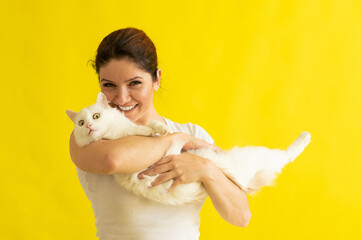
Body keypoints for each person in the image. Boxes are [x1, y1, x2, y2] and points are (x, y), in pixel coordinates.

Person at [69, 27, 251, 240]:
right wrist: (175, 140)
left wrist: (206, 170)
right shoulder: (87, 135)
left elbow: (240, 216)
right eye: (109, 85)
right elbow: (112, 160)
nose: (122, 98)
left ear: (157, 79)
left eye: (134, 83)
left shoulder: (193, 133)